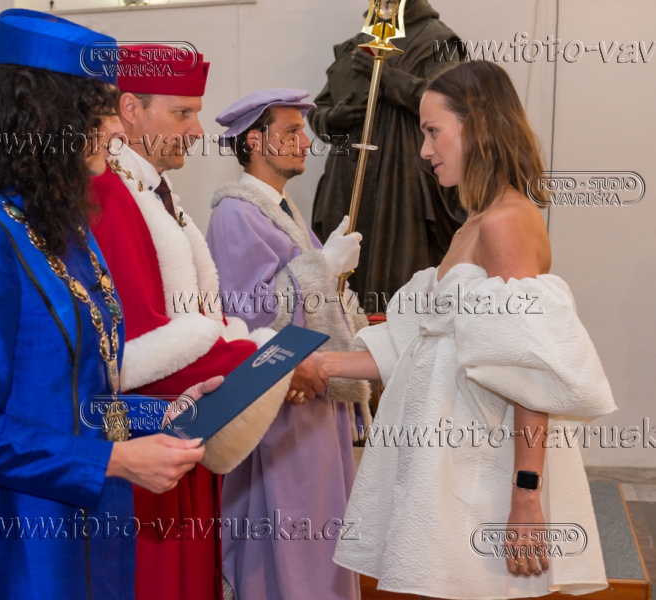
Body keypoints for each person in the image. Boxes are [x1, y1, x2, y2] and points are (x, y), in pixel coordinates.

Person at [0, 11, 219, 599]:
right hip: (29, 543)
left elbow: (80, 402)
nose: (116, 128)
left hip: (99, 529)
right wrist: (110, 463)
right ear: (48, 119)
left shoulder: (69, 232)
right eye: (101, 112)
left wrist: (160, 414)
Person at [321, 61, 616, 597]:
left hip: (482, 465)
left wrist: (525, 496)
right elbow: (416, 346)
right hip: (447, 458)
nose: (424, 150)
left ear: (477, 126)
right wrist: (319, 365)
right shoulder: (474, 224)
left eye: (434, 132)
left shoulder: (506, 222)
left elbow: (529, 367)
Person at [89, 47, 308, 600]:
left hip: (183, 427)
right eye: (182, 113)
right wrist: (262, 361)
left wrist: (258, 358)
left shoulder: (155, 193)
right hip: (146, 436)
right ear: (131, 109)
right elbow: (138, 341)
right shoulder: (110, 192)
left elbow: (199, 315)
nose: (197, 130)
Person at [205, 89, 370, 600]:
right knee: (288, 542)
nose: (305, 142)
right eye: (292, 131)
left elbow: (306, 296)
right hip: (282, 407)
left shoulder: (281, 210)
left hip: (311, 404)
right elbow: (251, 313)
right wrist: (323, 265)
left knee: (320, 536)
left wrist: (331, 273)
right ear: (256, 140)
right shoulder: (235, 213)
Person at [309, 0, 466, 311]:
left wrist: (389, 79)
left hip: (401, 181)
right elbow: (319, 109)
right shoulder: (357, 45)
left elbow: (455, 107)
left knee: (398, 276)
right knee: (341, 283)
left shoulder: (438, 40)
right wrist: (332, 118)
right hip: (346, 179)